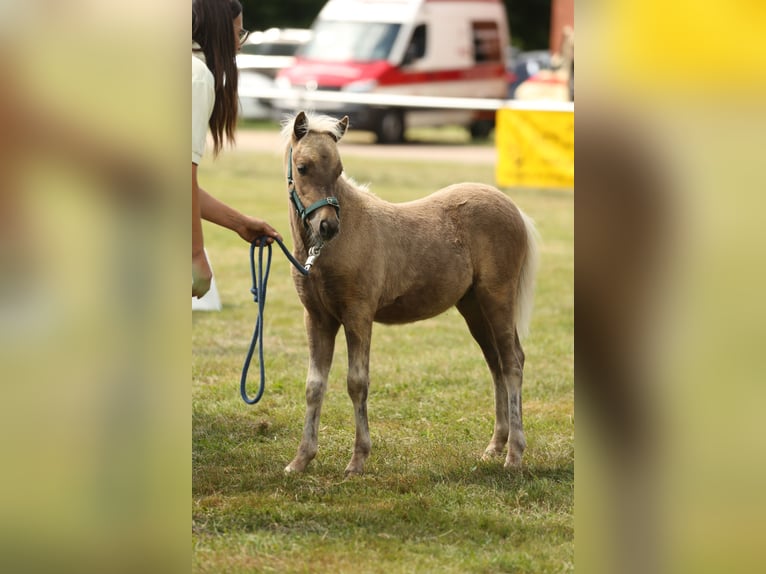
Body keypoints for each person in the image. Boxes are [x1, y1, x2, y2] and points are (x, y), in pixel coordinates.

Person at [192, 0, 282, 299]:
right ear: (218, 31)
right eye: (238, 33)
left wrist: (239, 224)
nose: (240, 45)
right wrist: (194, 255)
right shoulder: (195, 76)